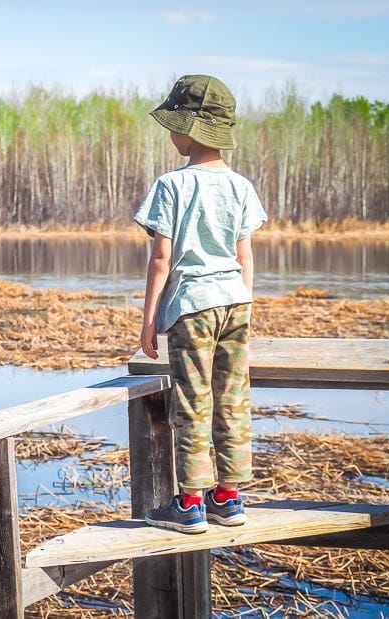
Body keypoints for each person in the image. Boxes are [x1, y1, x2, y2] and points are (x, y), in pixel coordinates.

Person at [134, 75, 267, 534]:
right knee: (233, 399)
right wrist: (244, 303)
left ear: (189, 129)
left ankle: (190, 504)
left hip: (192, 305)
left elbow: (161, 259)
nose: (170, 134)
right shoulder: (240, 186)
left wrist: (149, 320)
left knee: (192, 402)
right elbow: (244, 256)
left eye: (174, 125)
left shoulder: (171, 186)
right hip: (236, 301)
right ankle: (228, 498)